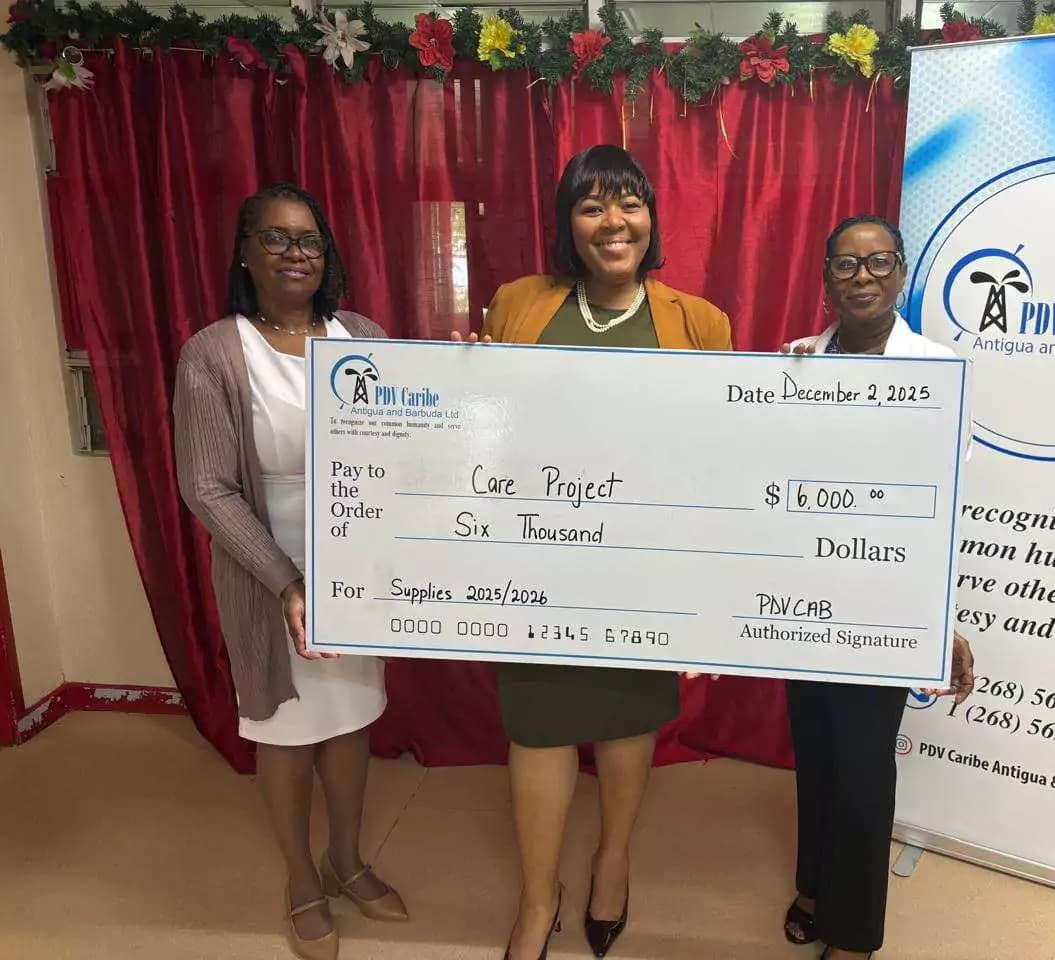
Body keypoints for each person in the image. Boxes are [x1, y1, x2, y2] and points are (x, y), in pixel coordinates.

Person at [454, 144, 732, 960]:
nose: (614, 222)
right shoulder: (518, 305)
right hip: (535, 558)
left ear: (651, 217)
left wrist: (707, 588)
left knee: (625, 716)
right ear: (567, 224)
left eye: (629, 203)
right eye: (591, 205)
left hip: (643, 563)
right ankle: (539, 896)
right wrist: (464, 381)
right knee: (539, 725)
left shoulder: (699, 322)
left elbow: (718, 456)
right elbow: (482, 434)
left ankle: (613, 860)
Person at [174, 184, 407, 960]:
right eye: (274, 238)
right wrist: (288, 583)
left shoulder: (362, 336)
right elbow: (207, 486)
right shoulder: (213, 352)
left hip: (356, 570)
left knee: (351, 715)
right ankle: (302, 878)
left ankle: (346, 858)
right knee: (285, 729)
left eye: (309, 240)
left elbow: (407, 441)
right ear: (245, 252)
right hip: (266, 575)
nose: (295, 253)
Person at [779, 215, 976, 960]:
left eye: (879, 262)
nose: (862, 276)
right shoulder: (795, 361)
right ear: (826, 278)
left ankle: (855, 934)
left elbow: (943, 505)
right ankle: (814, 885)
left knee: (863, 762)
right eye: (846, 265)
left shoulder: (938, 369)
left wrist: (941, 616)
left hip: (884, 600)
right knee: (815, 749)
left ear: (901, 272)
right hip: (802, 594)